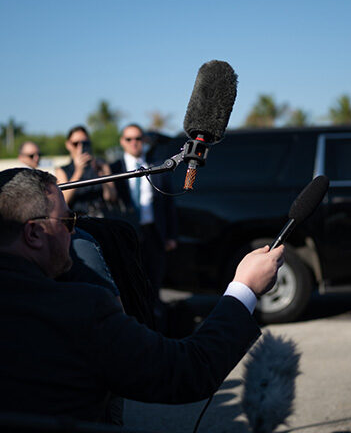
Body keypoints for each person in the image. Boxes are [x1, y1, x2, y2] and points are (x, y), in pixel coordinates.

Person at [0, 167, 284, 423]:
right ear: (34, 233)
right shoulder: (79, 312)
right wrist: (244, 287)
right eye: (67, 221)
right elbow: (188, 371)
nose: (74, 232)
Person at [109, 123, 178, 313]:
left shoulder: (157, 165)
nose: (134, 143)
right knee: (128, 282)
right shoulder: (114, 168)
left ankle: (156, 324)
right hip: (126, 233)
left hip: (153, 232)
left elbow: (168, 204)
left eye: (138, 138)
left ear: (144, 141)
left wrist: (171, 235)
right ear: (122, 142)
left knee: (154, 282)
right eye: (129, 139)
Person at [55, 125, 117, 216]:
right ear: (68, 145)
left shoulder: (101, 165)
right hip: (78, 221)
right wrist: (78, 172)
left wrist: (103, 175)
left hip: (101, 218)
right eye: (76, 144)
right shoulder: (62, 170)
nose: (80, 147)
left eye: (85, 143)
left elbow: (111, 197)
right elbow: (63, 201)